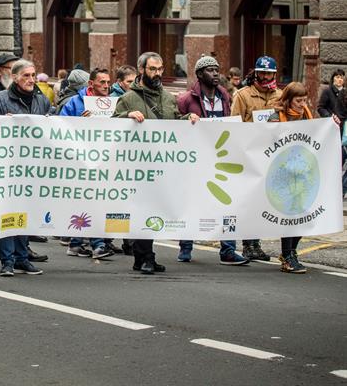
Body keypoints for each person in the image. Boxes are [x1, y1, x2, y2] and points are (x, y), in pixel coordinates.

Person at [113, 52, 200, 275]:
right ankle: (144, 258)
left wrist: (187, 119)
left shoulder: (169, 98)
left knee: (154, 211)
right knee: (144, 210)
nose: (158, 73)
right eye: (153, 69)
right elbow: (111, 128)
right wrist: (127, 117)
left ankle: (144, 257)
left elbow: (172, 124)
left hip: (163, 166)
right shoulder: (129, 98)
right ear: (141, 70)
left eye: (160, 69)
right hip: (139, 168)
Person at [0, 60, 49, 276]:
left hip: (31, 168)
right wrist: (0, 122)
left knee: (24, 214)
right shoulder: (1, 99)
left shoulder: (41, 100)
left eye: (33, 75)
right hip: (7, 168)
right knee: (8, 214)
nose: (31, 79)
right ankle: (7, 261)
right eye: (26, 76)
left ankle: (22, 258)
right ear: (15, 77)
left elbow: (55, 125)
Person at [175, 56, 249, 266]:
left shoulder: (225, 96)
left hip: (219, 159)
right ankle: (186, 247)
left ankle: (228, 249)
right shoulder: (186, 99)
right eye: (210, 70)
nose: (216, 73)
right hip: (194, 160)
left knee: (227, 203)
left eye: (217, 69)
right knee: (190, 203)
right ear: (199, 74)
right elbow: (175, 126)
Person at [269, 82, 330, 273]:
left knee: (303, 217)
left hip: (303, 175)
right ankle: (287, 256)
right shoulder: (275, 119)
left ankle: (292, 251)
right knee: (290, 215)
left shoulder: (307, 117)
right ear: (288, 100)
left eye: (304, 100)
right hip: (282, 175)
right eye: (298, 100)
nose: (302, 104)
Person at [230, 56, 282, 261]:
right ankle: (247, 244)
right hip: (249, 155)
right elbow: (234, 124)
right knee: (248, 202)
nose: (266, 76)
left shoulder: (280, 95)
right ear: (257, 73)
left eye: (269, 73)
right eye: (262, 73)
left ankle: (256, 243)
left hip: (271, 157)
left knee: (263, 202)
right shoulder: (243, 95)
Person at [59, 68, 114, 259]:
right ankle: (98, 244)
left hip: (104, 161)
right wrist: (79, 123)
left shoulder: (113, 102)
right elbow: (61, 128)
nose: (107, 86)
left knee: (94, 201)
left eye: (108, 82)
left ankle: (75, 244)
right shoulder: (75, 103)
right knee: (90, 201)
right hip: (80, 162)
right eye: (102, 82)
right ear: (91, 84)